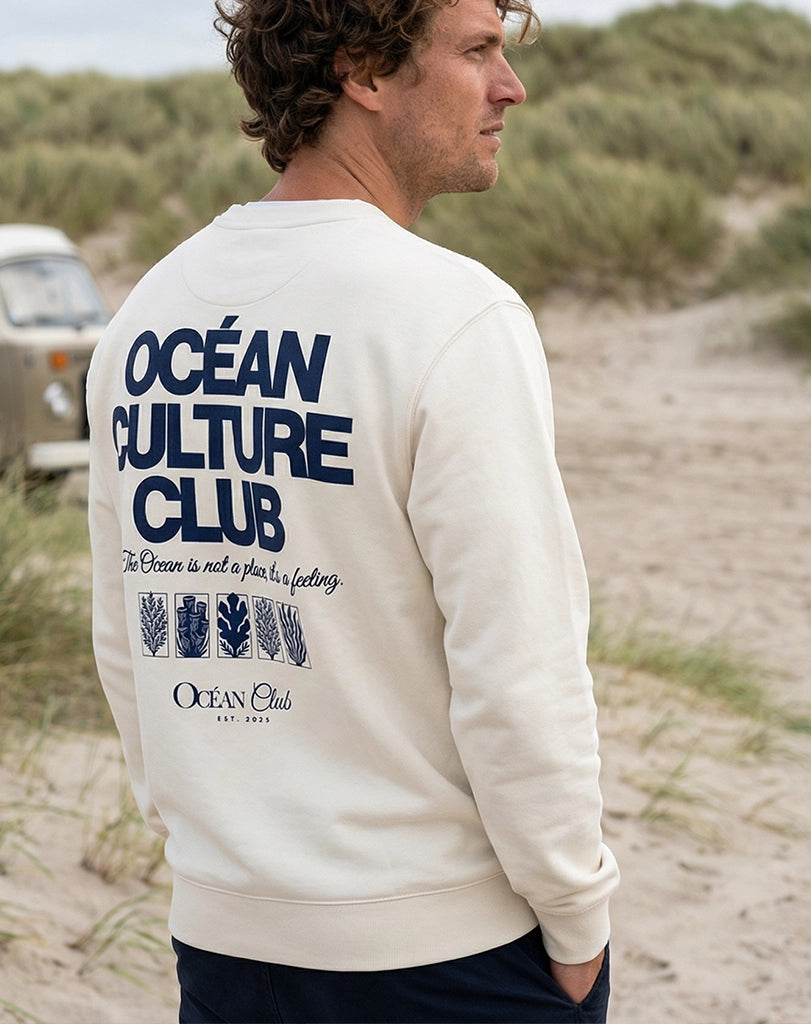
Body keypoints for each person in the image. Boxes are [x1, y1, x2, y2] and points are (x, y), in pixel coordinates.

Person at [86, 0, 619, 1021]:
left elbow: (127, 635)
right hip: (443, 950)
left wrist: (213, 855)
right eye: (476, 50)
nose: (510, 86)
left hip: (227, 940)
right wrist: (575, 910)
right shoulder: (452, 316)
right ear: (364, 71)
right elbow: (518, 668)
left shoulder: (148, 314)